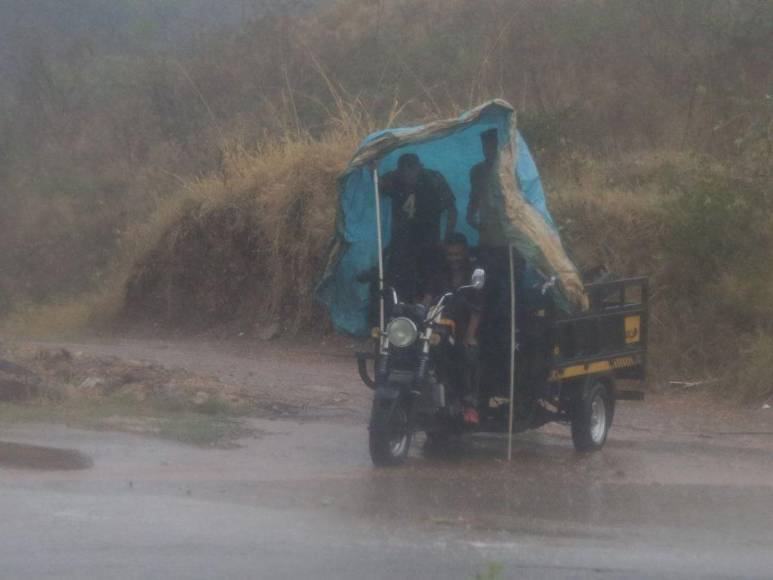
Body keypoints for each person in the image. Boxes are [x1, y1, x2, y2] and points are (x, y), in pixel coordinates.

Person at [380, 153, 457, 302]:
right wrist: (372, 169)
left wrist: (447, 237)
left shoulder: (434, 179)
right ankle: (401, 313)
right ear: (400, 171)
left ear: (419, 168)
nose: (409, 177)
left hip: (429, 239)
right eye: (405, 173)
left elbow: (452, 210)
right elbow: (380, 183)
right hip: (402, 242)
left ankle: (426, 311)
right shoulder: (394, 178)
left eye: (412, 171)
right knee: (401, 281)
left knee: (430, 279)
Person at [429, 233, 482, 426]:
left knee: (468, 355)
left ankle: (470, 405)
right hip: (440, 327)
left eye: (458, 254)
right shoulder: (439, 272)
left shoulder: (474, 275)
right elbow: (429, 296)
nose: (454, 259)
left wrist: (469, 336)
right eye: (450, 255)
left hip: (465, 328)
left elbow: (477, 310)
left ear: (465, 252)